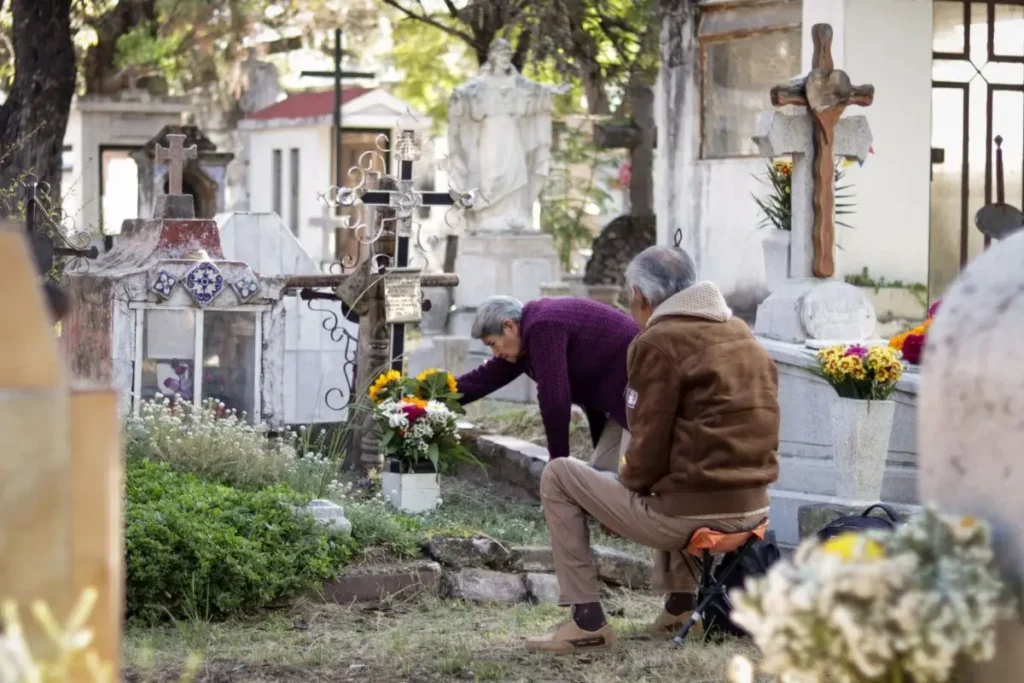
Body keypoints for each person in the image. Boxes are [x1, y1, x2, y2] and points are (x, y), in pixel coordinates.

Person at [524, 246, 781, 653]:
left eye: (631, 300)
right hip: (755, 512)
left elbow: (646, 442)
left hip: (689, 518)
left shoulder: (657, 342)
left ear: (639, 296)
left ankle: (586, 621)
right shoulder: (743, 335)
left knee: (560, 474)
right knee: (679, 472)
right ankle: (681, 605)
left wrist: (621, 494)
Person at [456, 295, 638, 471]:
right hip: (620, 400)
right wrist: (434, 394)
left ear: (509, 326)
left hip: (642, 389)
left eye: (493, 344)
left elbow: (554, 398)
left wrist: (557, 463)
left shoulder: (542, 327)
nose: (495, 353)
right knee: (603, 475)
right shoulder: (522, 341)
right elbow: (483, 379)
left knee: (631, 477)